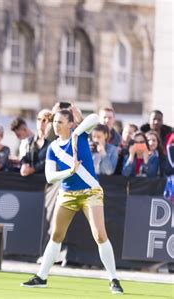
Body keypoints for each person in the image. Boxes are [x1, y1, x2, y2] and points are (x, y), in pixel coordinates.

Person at [20, 110, 124, 295]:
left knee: (100, 235)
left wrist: (77, 132)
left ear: (70, 124)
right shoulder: (53, 147)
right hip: (67, 194)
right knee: (56, 235)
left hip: (90, 192)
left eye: (60, 122)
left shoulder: (81, 135)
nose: (56, 125)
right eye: (55, 122)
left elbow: (94, 118)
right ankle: (41, 277)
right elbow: (50, 177)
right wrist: (70, 171)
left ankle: (113, 279)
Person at [20, 109, 52, 176]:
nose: (41, 122)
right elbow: (25, 157)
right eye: (39, 119)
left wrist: (33, 169)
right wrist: (24, 165)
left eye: (44, 120)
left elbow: (48, 161)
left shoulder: (53, 142)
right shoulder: (32, 140)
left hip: (46, 182)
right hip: (32, 182)